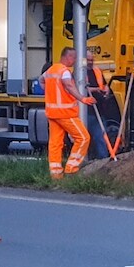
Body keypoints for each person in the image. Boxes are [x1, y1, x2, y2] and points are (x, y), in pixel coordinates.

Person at [43, 46, 95, 179]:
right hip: (65, 113)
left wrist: (51, 93)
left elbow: (41, 81)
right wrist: (82, 98)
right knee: (83, 138)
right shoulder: (64, 72)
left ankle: (56, 174)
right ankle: (71, 168)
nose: (75, 60)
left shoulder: (51, 70)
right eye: (74, 57)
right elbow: (68, 85)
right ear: (68, 57)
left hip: (52, 113)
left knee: (55, 143)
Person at [84, 51, 116, 159]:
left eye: (92, 60)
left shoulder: (97, 70)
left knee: (101, 137)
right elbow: (81, 89)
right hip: (86, 111)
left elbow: (104, 84)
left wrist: (106, 90)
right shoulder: (79, 73)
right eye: (88, 60)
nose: (90, 62)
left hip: (99, 109)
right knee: (83, 139)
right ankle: (83, 161)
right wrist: (96, 89)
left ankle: (103, 161)